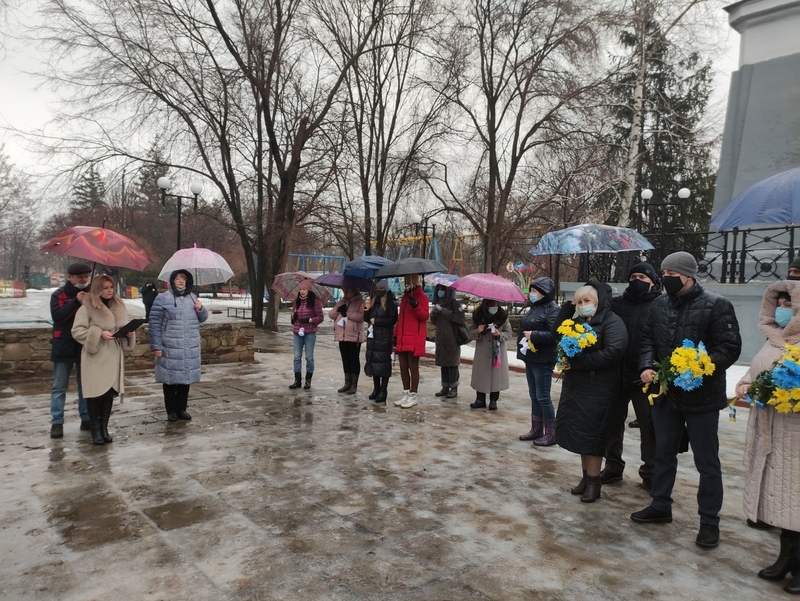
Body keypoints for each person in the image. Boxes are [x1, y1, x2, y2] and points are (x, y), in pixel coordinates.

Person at [631, 251, 741, 549]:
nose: (665, 278)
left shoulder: (717, 305)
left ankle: (709, 521)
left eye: (670, 274)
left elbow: (729, 347)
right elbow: (647, 341)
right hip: (667, 395)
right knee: (663, 452)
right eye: (663, 273)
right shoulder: (659, 305)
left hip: (702, 397)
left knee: (707, 461)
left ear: (688, 275)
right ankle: (660, 504)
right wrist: (647, 366)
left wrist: (699, 366)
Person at [736, 282, 800, 594]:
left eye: (790, 303)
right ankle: (786, 558)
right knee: (783, 499)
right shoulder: (773, 339)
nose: (783, 308)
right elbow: (757, 372)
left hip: (796, 434)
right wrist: (746, 384)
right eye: (780, 302)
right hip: (771, 431)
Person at [553, 282, 627, 503]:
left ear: (599, 301)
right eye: (579, 302)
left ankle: (594, 483)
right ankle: (586, 478)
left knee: (593, 437)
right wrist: (567, 311)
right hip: (577, 386)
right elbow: (558, 336)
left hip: (599, 388)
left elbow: (614, 352)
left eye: (587, 301)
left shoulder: (612, 322)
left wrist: (580, 362)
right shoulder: (578, 321)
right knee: (581, 435)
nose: (583, 305)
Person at [602, 263, 662, 490]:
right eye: (634, 276)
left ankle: (650, 473)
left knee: (649, 426)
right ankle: (613, 466)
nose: (637, 280)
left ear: (653, 281)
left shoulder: (660, 305)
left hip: (645, 376)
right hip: (616, 374)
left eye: (643, 276)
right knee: (612, 424)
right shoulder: (616, 304)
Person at [71, 275, 135, 445]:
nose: (109, 291)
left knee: (108, 393)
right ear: (98, 288)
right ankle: (95, 429)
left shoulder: (118, 304)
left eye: (111, 287)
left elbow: (120, 328)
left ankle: (104, 427)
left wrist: (128, 333)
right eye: (105, 287)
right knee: (94, 393)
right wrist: (98, 333)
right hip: (95, 355)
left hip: (113, 353)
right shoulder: (86, 307)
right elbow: (77, 331)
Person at [149, 269, 209, 421]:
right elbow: (154, 324)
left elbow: (203, 318)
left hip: (189, 346)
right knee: (170, 380)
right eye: (177, 278)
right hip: (169, 346)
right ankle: (171, 411)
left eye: (183, 278)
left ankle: (182, 409)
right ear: (172, 281)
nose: (181, 281)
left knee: (185, 380)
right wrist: (156, 346)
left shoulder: (193, 297)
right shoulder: (162, 298)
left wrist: (200, 308)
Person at [48, 262, 92, 438]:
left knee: (85, 385)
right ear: (70, 277)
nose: (83, 279)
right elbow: (58, 317)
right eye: (80, 276)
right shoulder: (59, 295)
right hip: (63, 345)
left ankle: (86, 417)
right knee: (59, 386)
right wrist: (76, 301)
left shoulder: (90, 294)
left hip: (84, 345)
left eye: (86, 276)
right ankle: (57, 422)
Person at [516, 277, 559, 445]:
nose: (531, 294)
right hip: (531, 357)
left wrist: (534, 335)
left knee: (543, 396)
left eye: (535, 291)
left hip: (543, 359)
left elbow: (554, 335)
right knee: (534, 395)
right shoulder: (534, 307)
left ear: (544, 293)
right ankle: (536, 428)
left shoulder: (552, 310)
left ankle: (551, 432)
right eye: (531, 291)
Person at [468, 299, 513, 411]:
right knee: (481, 374)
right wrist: (478, 331)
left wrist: (499, 334)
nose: (494, 307)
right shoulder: (478, 315)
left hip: (497, 351)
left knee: (496, 375)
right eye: (492, 304)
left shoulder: (503, 316)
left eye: (496, 304)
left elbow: (509, 333)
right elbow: (470, 333)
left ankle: (494, 400)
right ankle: (480, 399)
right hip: (482, 351)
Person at [394, 274, 430, 408]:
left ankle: (413, 395)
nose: (407, 283)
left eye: (409, 280)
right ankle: (406, 393)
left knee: (413, 367)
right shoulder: (405, 297)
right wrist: (396, 334)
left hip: (414, 337)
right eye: (406, 281)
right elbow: (401, 318)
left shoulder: (422, 297)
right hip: (403, 337)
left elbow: (425, 316)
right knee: (403, 366)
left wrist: (416, 306)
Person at [363, 280, 398, 404]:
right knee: (374, 363)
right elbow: (367, 319)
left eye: (381, 287)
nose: (379, 289)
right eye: (377, 287)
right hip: (373, 337)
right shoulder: (374, 300)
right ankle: (376, 388)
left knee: (383, 365)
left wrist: (377, 321)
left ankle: (383, 390)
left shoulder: (390, 302)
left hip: (384, 338)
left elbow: (392, 319)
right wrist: (366, 310)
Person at [429, 283, 466, 399]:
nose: (440, 291)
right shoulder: (438, 302)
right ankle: (445, 386)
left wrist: (447, 313)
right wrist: (434, 312)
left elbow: (461, 320)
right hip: (441, 338)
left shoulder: (454, 303)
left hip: (452, 339)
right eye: (439, 288)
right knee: (443, 364)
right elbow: (434, 322)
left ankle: (453, 387)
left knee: (452, 364)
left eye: (443, 289)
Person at [288, 280, 324, 390]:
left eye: (304, 289)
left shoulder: (315, 302)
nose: (302, 292)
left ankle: (308, 380)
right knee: (297, 356)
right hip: (297, 332)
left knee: (309, 357)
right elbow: (293, 317)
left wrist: (309, 320)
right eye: (300, 289)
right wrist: (293, 317)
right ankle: (297, 380)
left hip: (309, 333)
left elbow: (320, 317)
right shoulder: (296, 302)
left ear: (309, 290)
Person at [329, 287, 366, 395]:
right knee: (345, 360)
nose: (345, 292)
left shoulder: (361, 302)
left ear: (354, 290)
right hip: (342, 335)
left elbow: (362, 316)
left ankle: (354, 384)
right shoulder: (342, 301)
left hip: (354, 336)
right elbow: (331, 314)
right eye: (344, 290)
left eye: (348, 290)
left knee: (354, 360)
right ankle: (347, 383)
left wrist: (348, 314)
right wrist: (339, 310)